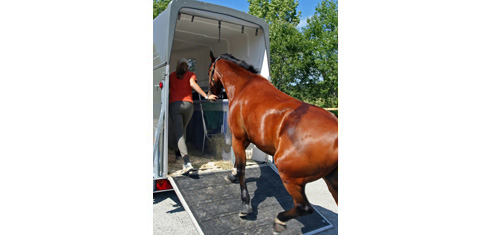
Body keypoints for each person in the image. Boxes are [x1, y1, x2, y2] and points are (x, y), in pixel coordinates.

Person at [169, 58, 218, 174]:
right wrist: (206, 96)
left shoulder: (171, 76)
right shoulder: (190, 74)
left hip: (175, 105)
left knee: (179, 133)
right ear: (187, 66)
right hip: (189, 106)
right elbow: (192, 85)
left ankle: (187, 163)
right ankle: (178, 153)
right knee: (183, 130)